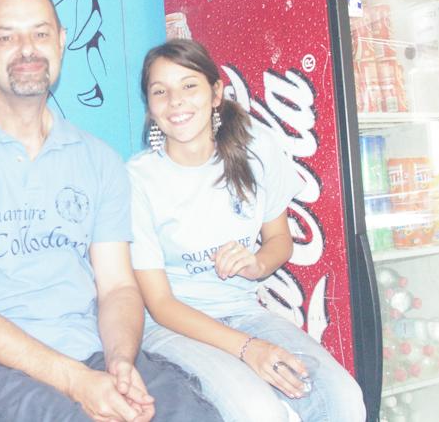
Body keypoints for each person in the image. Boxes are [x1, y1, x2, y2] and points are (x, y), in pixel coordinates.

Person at [0, 0, 222, 422]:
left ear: (62, 41)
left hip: (94, 353)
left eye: (40, 33)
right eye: (6, 37)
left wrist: (120, 361)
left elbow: (118, 287)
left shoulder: (99, 159)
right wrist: (76, 382)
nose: (27, 49)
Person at [128, 38, 367, 422]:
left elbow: (280, 240)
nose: (175, 101)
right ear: (150, 106)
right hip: (173, 327)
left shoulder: (256, 148)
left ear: (215, 93)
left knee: (342, 399)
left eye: (189, 85)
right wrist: (248, 348)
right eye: (160, 91)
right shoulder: (137, 180)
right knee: (258, 413)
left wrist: (257, 265)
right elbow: (160, 304)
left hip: (243, 312)